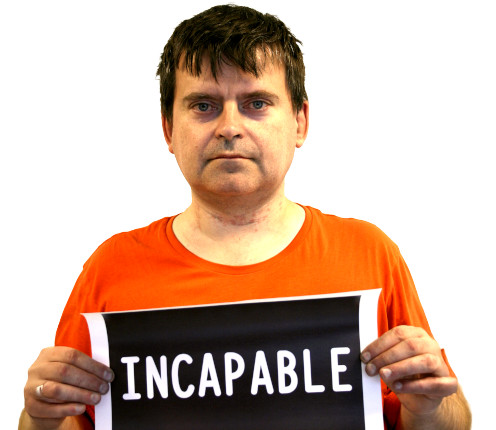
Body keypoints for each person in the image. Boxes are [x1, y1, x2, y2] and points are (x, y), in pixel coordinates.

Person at [19, 4, 471, 430]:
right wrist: (39, 416)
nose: (230, 127)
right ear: (168, 129)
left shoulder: (367, 253)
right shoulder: (112, 267)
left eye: (256, 103)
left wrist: (430, 403)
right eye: (204, 105)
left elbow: (450, 418)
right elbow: (64, 419)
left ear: (300, 122)